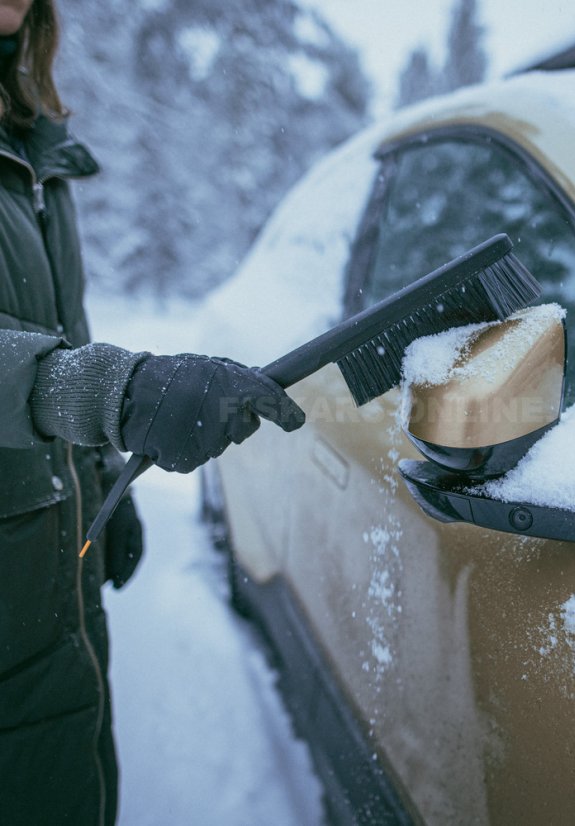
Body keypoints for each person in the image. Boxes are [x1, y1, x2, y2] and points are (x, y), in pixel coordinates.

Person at [0, 1, 305, 823]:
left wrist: (101, 474)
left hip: (42, 577)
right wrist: (114, 394)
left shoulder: (34, 149)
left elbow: (58, 331)